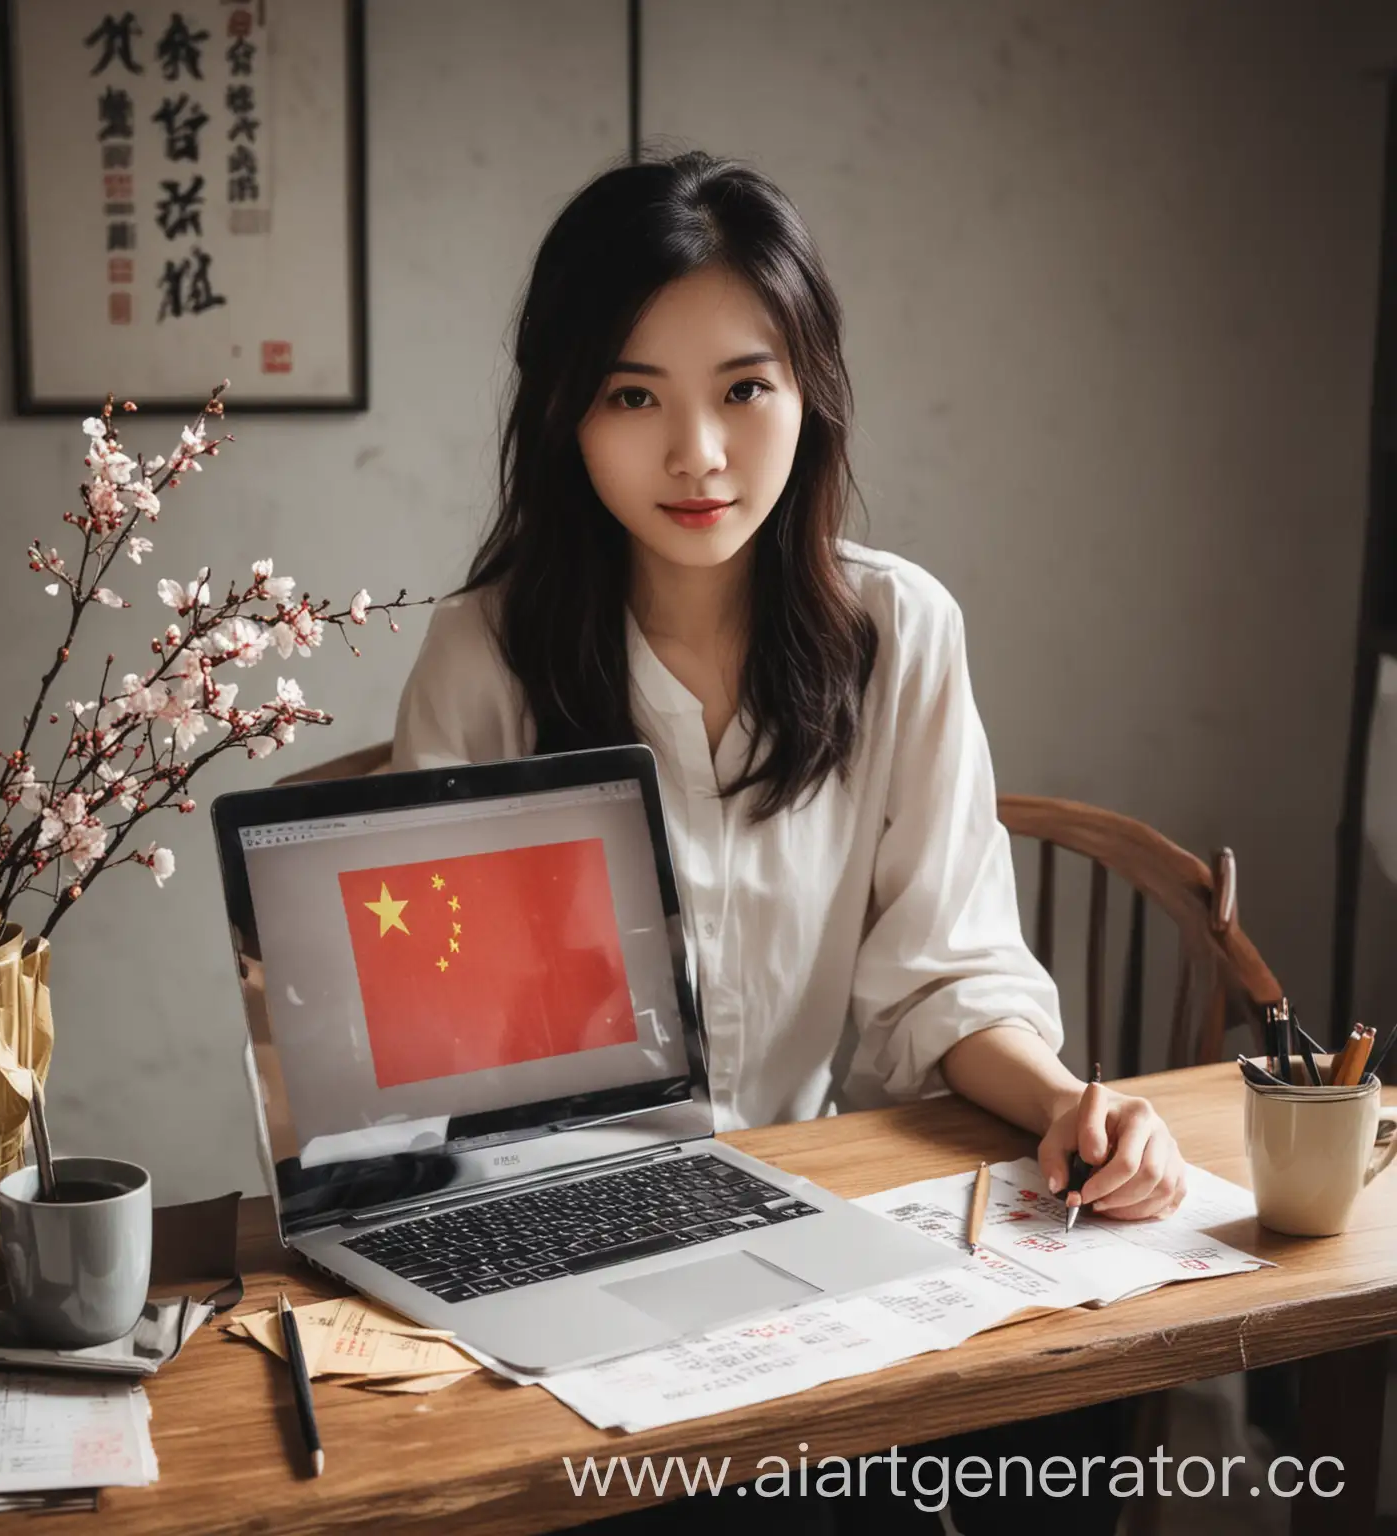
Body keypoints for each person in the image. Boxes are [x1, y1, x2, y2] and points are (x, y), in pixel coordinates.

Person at [390, 151, 1184, 1531]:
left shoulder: (901, 633)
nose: (697, 455)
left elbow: (944, 973)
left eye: (744, 390)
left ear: (809, 393)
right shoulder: (486, 656)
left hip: (826, 1214)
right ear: (569, 416)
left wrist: (1068, 1103)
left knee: (1060, 1421)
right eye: (634, 396)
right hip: (567, 1250)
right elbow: (429, 1062)